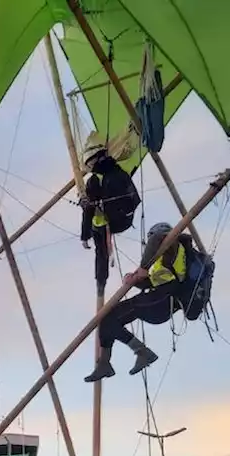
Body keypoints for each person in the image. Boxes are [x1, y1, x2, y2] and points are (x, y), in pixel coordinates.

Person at [84, 221, 197, 383]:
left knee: (111, 316)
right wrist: (134, 280)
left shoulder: (171, 243)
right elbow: (154, 281)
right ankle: (104, 363)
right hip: (159, 298)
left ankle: (143, 352)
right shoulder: (168, 256)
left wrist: (144, 267)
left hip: (164, 298)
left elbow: (156, 239)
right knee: (107, 319)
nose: (149, 246)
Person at [79, 134, 141, 299]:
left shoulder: (94, 180)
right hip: (126, 218)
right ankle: (101, 281)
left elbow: (88, 211)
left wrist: (84, 236)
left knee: (101, 252)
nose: (90, 166)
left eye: (90, 162)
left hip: (109, 223)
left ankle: (101, 282)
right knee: (99, 237)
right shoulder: (119, 170)